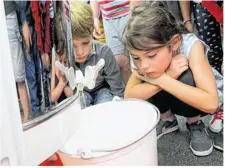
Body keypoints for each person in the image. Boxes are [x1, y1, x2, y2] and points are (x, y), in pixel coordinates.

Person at [123, 2, 222, 156]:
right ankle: (168, 119)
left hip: (203, 98)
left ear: (174, 42)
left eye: (151, 56)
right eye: (136, 58)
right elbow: (129, 95)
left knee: (184, 75)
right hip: (171, 90)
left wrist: (162, 80)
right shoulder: (139, 49)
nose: (143, 65)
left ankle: (194, 122)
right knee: (152, 75)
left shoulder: (191, 45)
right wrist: (167, 76)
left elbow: (210, 103)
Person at [51, 2, 125, 107]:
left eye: (85, 43)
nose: (80, 52)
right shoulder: (64, 58)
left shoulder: (104, 52)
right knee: (78, 105)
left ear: (92, 33)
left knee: (105, 104)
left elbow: (117, 88)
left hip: (102, 90)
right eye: (73, 46)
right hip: (79, 93)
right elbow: (68, 91)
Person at [90, 0, 131, 84]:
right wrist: (95, 18)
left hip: (128, 11)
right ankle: (129, 93)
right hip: (109, 18)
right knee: (120, 61)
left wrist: (134, 11)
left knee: (137, 55)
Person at [4, 1, 30, 122]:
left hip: (8, 14)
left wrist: (24, 22)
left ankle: (26, 116)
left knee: (18, 73)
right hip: (8, 13)